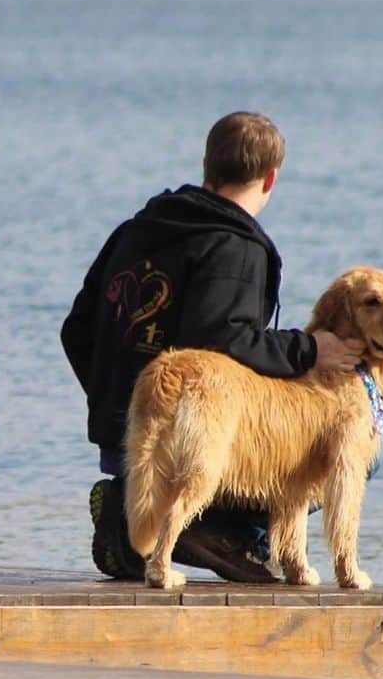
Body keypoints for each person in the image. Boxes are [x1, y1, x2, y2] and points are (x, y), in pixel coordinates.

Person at [60, 111, 364, 581]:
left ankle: (131, 527)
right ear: (271, 178)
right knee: (346, 452)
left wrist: (115, 401)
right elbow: (222, 342)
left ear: (207, 166)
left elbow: (75, 330)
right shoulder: (235, 247)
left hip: (123, 437)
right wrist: (308, 350)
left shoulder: (136, 230)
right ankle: (229, 534)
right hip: (188, 438)